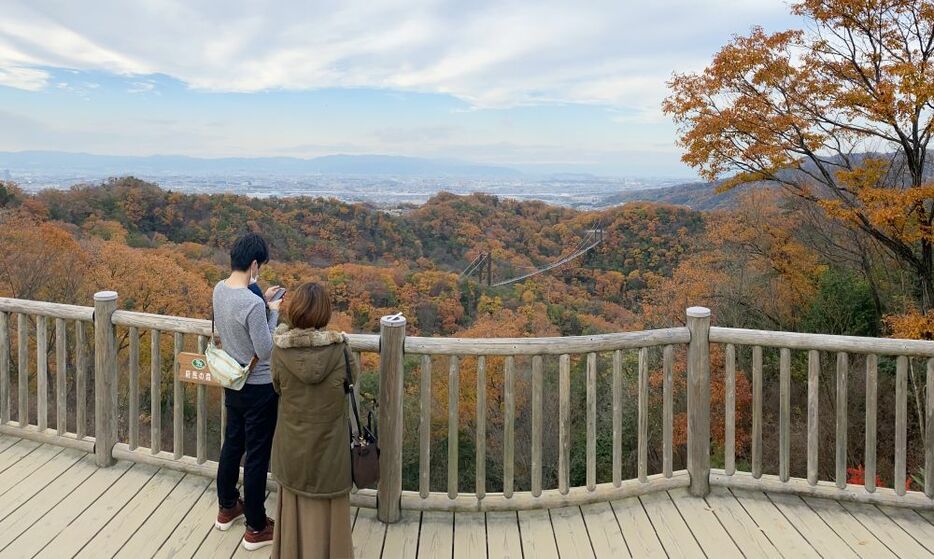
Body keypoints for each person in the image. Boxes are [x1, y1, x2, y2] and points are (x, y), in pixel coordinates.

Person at [270, 282, 356, 559]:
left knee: (294, 500)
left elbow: (277, 387)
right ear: (325, 313)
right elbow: (351, 382)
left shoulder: (281, 351)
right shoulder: (341, 350)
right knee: (331, 502)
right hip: (331, 446)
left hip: (292, 442)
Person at [213, 232, 283, 551]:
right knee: (256, 456)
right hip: (259, 387)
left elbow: (235, 330)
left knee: (232, 444)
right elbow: (266, 349)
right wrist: (274, 312)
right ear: (254, 264)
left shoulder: (219, 290)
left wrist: (263, 304)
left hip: (233, 381)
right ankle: (256, 526)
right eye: (260, 266)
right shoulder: (253, 304)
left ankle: (227, 507)